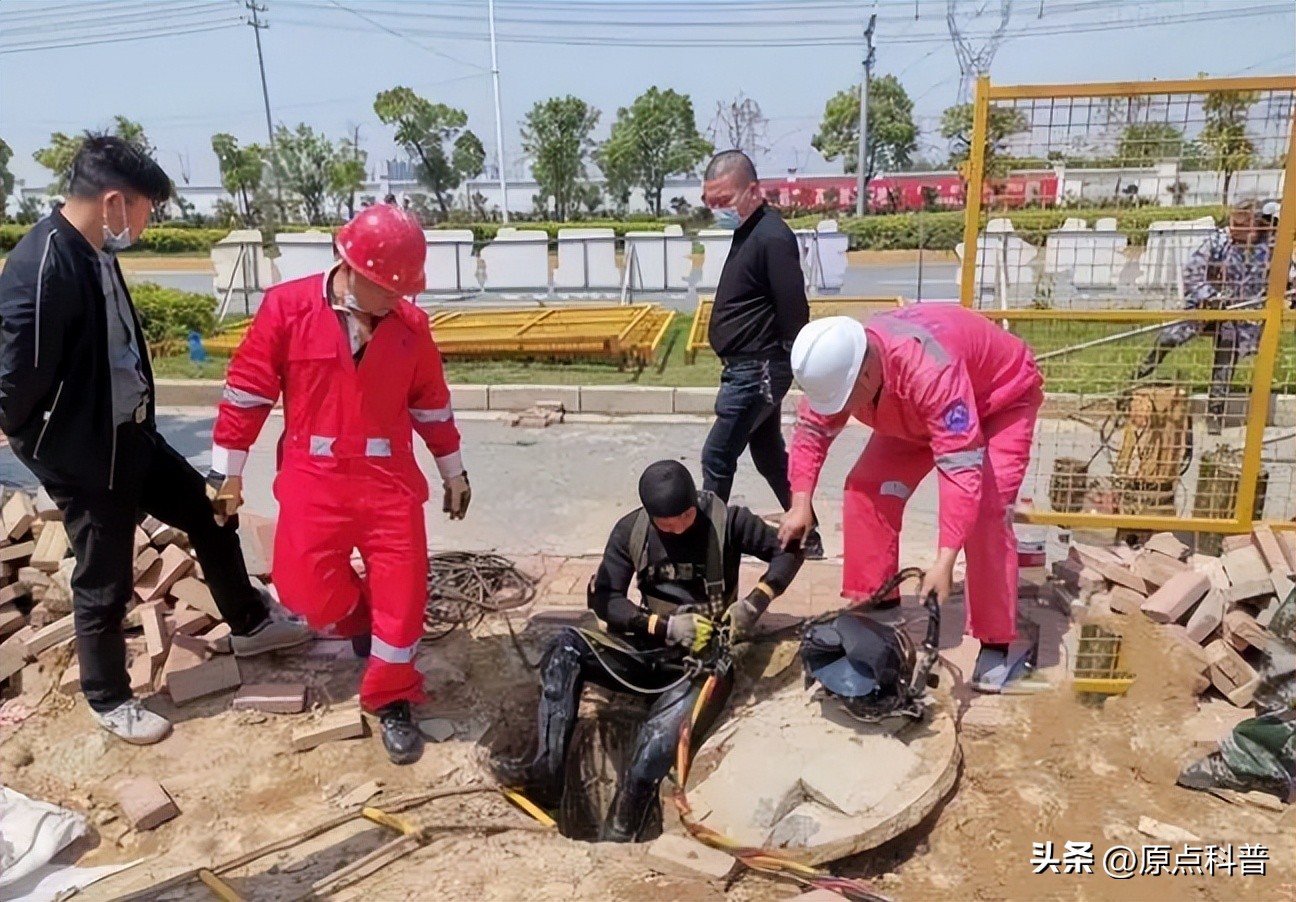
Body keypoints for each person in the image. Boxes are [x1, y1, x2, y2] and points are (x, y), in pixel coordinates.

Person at [0, 136, 310, 745]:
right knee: (104, 575)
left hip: (130, 436)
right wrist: (57, 454)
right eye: (147, 209)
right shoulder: (44, 269)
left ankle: (247, 620)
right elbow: (13, 385)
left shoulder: (93, 252)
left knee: (210, 510)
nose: (148, 222)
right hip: (89, 456)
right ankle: (109, 698)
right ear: (114, 202)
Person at [209, 204, 470, 765]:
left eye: (404, 292)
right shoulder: (288, 309)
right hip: (313, 478)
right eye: (387, 290)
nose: (396, 301)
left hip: (388, 483)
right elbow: (248, 391)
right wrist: (226, 471)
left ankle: (392, 693)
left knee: (404, 598)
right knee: (303, 590)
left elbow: (432, 404)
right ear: (350, 264)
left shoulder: (410, 328)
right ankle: (359, 623)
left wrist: (453, 470)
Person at [497, 460, 804, 841]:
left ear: (695, 502)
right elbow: (607, 600)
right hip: (648, 649)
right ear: (650, 514)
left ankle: (623, 827)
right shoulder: (633, 531)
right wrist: (661, 626)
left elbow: (790, 550)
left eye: (686, 516)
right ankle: (548, 778)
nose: (678, 527)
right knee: (564, 650)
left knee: (654, 746)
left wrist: (757, 600)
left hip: (702, 664)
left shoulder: (726, 522)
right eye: (668, 522)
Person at [779, 307, 1044, 693]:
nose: (838, 412)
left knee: (987, 512)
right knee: (867, 489)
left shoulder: (928, 371)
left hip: (997, 402)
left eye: (844, 403)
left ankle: (995, 643)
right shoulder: (840, 364)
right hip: (913, 415)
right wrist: (800, 502)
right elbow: (811, 431)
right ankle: (880, 614)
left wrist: (945, 560)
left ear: (866, 374)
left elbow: (961, 467)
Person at [701, 150, 823, 559]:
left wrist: (787, 361)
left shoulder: (772, 236)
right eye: (710, 202)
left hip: (759, 368)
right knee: (767, 451)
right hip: (749, 365)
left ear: (753, 190)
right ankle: (807, 531)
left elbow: (793, 306)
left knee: (718, 455)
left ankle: (706, 542)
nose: (717, 210)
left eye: (724, 201)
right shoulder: (749, 230)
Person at [1135, 199, 1285, 434]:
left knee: (1227, 349)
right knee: (1170, 338)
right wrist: (1212, 296)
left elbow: (1287, 275)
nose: (1236, 230)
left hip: (1238, 315)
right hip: (1205, 307)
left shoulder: (1268, 248)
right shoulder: (1217, 241)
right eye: (1235, 224)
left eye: (1244, 226)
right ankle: (1143, 370)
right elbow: (1193, 274)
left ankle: (1215, 410)